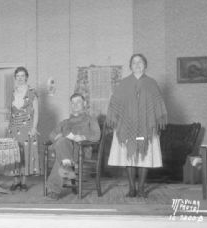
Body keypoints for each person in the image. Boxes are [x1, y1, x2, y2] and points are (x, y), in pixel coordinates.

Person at [106, 53, 167, 198]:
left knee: (145, 157)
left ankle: (141, 189)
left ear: (145, 65)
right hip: (127, 128)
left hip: (146, 128)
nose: (137, 64)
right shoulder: (124, 83)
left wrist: (156, 119)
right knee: (129, 158)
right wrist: (115, 118)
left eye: (140, 62)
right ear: (130, 66)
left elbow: (158, 104)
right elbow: (115, 103)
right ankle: (131, 188)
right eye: (134, 62)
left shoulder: (151, 83)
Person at [46, 93, 100, 198]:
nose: (75, 105)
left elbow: (97, 135)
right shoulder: (65, 122)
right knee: (62, 141)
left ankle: (54, 189)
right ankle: (67, 166)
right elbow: (51, 135)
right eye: (73, 103)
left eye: (78, 102)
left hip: (82, 151)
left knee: (62, 148)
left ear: (84, 103)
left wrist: (84, 137)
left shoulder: (90, 120)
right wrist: (58, 136)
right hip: (66, 150)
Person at [7, 66, 39, 191]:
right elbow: (8, 111)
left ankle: (24, 182)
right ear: (15, 78)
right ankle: (15, 181)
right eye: (18, 76)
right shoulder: (12, 93)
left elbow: (36, 112)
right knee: (14, 154)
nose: (20, 78)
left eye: (22, 76)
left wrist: (34, 128)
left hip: (27, 127)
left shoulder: (32, 92)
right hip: (13, 128)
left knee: (26, 153)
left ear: (26, 77)